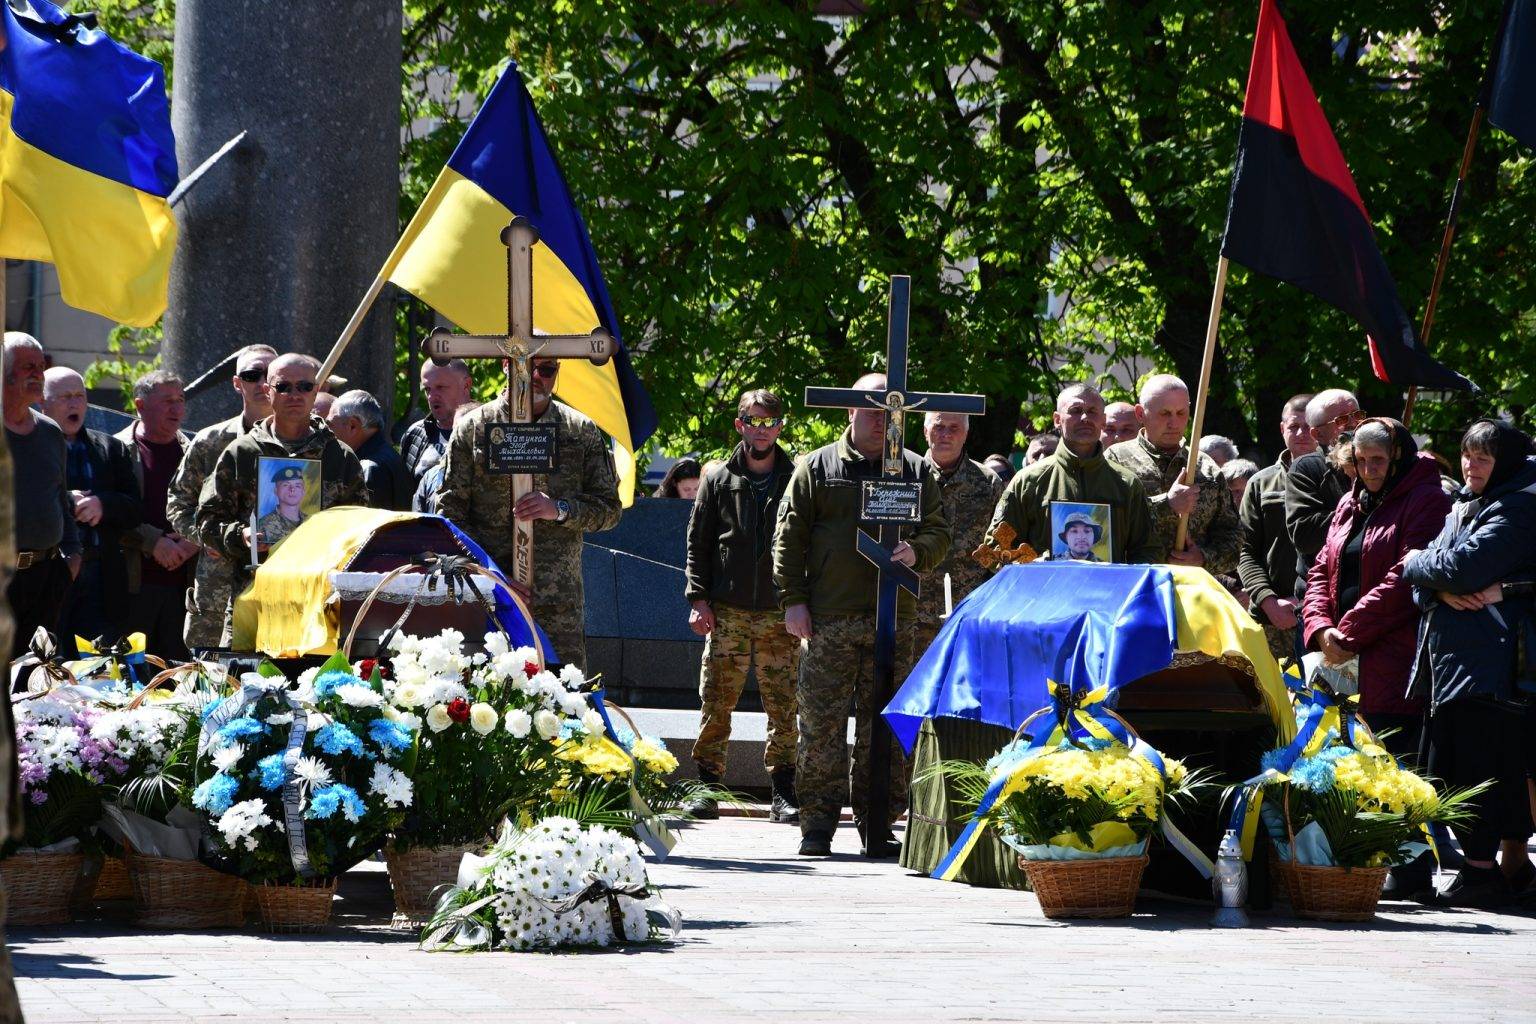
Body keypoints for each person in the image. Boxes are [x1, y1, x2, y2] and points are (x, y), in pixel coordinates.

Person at [772, 372, 951, 858]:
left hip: (895, 617)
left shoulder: (916, 470)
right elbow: (789, 538)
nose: (881, 420)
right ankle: (817, 824)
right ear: (849, 411)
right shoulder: (817, 467)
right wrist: (793, 600)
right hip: (829, 617)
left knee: (889, 727)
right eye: (871, 410)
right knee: (822, 724)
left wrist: (919, 550)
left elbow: (940, 531)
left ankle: (879, 822)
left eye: (890, 412)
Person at [1301, 418, 1450, 900]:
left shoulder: (1426, 499)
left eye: (1378, 461)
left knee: (1394, 758)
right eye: (1361, 461)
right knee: (1353, 756)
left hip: (1394, 652)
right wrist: (1321, 627)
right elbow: (1323, 569)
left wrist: (1350, 630)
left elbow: (1407, 576)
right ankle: (1366, 857)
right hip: (1342, 652)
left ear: (1398, 458)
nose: (1368, 470)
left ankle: (1410, 872)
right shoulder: (1350, 501)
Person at [1403, 420, 1536, 908]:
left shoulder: (1519, 505)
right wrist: (1432, 582)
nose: (1470, 465)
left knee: (1483, 765)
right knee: (1458, 762)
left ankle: (1485, 872)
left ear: (1505, 463)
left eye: (1483, 457)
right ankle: (1488, 868)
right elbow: (1423, 571)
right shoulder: (1466, 503)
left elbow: (1462, 567)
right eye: (1465, 455)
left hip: (1492, 661)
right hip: (1455, 660)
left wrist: (1427, 568)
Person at [437, 355, 622, 668]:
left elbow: (609, 509)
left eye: (547, 369)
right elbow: (450, 516)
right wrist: (493, 575)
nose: (536, 376)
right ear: (506, 367)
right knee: (487, 702)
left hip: (556, 604)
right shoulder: (473, 429)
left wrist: (559, 509)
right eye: (526, 366)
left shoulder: (579, 430)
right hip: (488, 597)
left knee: (564, 703)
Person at [683, 389, 799, 823]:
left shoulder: (796, 476)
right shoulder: (718, 479)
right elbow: (698, 542)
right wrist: (698, 598)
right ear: (740, 425)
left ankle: (784, 790)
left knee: (783, 704)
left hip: (779, 609)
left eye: (769, 422)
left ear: (780, 427)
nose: (762, 429)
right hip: (727, 609)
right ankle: (707, 785)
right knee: (716, 700)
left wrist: (800, 601)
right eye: (753, 421)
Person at [195, 353, 367, 607]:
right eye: (283, 387)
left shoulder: (339, 457)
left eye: (305, 387)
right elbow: (206, 521)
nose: (295, 395)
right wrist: (240, 537)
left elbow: (361, 528)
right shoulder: (242, 452)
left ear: (316, 391)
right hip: (252, 600)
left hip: (318, 604)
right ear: (267, 391)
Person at [167, 344, 276, 650]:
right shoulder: (210, 441)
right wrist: (212, 538)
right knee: (208, 676)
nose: (262, 383)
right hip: (219, 584)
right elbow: (178, 504)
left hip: (279, 581)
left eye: (270, 375)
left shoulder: (301, 444)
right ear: (237, 383)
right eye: (252, 375)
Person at [987, 383, 1157, 563]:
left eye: (1092, 411)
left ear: (1103, 420)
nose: (1084, 417)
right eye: (1075, 410)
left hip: (1110, 590)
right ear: (1057, 419)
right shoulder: (1028, 481)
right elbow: (996, 549)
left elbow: (1148, 551)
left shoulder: (1126, 484)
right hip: (1044, 590)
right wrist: (1034, 567)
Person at [41, 367, 142, 657]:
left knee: (97, 665)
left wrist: (103, 504)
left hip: (101, 574)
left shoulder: (110, 448)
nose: (74, 404)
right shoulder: (30, 445)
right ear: (43, 402)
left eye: (79, 397)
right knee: (47, 662)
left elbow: (135, 509)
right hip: (51, 571)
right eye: (64, 397)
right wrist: (63, 501)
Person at [1107, 374, 1242, 571]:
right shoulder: (1115, 460)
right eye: (1164, 414)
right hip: (1135, 585)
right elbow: (1104, 525)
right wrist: (1166, 505)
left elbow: (1233, 536)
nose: (1174, 423)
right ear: (1140, 414)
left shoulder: (1206, 467)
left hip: (1191, 588)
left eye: (1181, 413)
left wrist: (1203, 558)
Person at [3, 333, 80, 663]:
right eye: (27, 367)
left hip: (44, 576)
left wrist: (72, 555)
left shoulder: (50, 432)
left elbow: (60, 496)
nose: (38, 373)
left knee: (34, 679)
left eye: (41, 366)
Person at [114, 371, 197, 661]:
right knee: (130, 673)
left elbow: (213, 507)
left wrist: (191, 542)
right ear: (140, 405)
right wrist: (154, 542)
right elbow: (110, 514)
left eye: (181, 400)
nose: (177, 409)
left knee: (178, 677)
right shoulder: (116, 450)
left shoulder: (196, 452)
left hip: (184, 589)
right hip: (132, 587)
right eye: (167, 401)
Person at [1237, 394, 1316, 659]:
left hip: (1323, 619)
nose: (1302, 433)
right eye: (1294, 427)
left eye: (1308, 426)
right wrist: (1268, 601)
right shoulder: (1261, 484)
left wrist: (1306, 602)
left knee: (1325, 699)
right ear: (1282, 429)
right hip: (1269, 620)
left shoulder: (1339, 480)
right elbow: (1245, 550)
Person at [1286, 388, 1363, 600]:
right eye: (1342, 420)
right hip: (1322, 598)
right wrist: (1362, 507)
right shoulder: (1307, 469)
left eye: (1357, 416)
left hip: (1372, 595)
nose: (1354, 424)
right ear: (1317, 434)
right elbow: (1305, 534)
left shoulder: (1381, 465)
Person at [327, 389, 410, 511]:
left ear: (352, 426)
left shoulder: (369, 469)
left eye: (330, 426)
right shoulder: (388, 455)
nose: (327, 433)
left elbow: (370, 526)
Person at [401, 358, 474, 487]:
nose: (432, 396)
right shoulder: (415, 434)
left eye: (440, 387)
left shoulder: (489, 430)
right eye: (427, 389)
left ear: (466, 385)